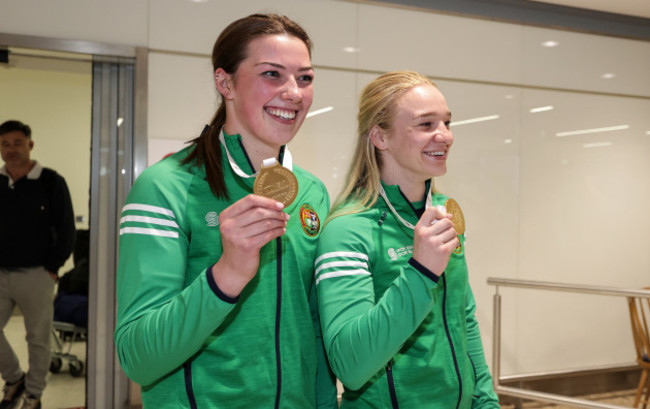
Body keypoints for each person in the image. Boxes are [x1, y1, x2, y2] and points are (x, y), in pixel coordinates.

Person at [114, 13, 337, 409]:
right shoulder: (165, 187)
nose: (294, 92)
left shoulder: (312, 192)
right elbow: (138, 357)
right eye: (272, 74)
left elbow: (314, 332)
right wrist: (226, 274)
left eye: (305, 78)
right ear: (225, 82)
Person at [315, 71, 500, 408]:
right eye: (426, 124)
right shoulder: (348, 229)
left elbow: (464, 318)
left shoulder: (443, 213)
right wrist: (420, 271)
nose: (444, 136)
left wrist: (485, 401)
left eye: (446, 122)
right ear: (380, 137)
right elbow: (351, 365)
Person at [0, 120, 76, 409]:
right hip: (1, 273)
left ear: (30, 145)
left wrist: (53, 268)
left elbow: (67, 228)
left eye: (17, 142)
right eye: (5, 144)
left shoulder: (51, 181)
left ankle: (33, 393)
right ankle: (14, 378)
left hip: (37, 274)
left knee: (38, 338)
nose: (11, 149)